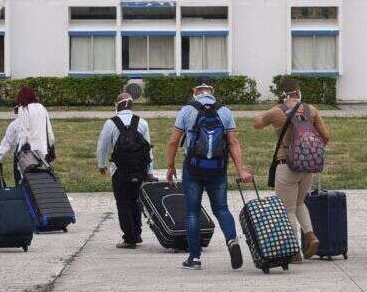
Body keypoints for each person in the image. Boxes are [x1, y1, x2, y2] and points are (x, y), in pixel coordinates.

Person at [164, 77, 252, 271]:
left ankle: (194, 258)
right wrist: (241, 170)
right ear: (211, 90)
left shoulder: (187, 110)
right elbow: (233, 143)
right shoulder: (225, 111)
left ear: (195, 90)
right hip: (218, 169)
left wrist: (170, 166)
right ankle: (231, 240)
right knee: (221, 209)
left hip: (193, 169)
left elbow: (173, 141)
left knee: (192, 212)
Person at [252, 77, 330, 261]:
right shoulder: (312, 110)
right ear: (298, 90)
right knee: (300, 203)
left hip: (286, 165)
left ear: (283, 93)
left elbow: (257, 124)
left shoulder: (276, 111)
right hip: (308, 166)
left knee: (287, 208)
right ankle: (310, 235)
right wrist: (308, 151)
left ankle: (294, 251)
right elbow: (325, 137)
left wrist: (260, 115)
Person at [96, 92, 155, 249]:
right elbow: (148, 149)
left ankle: (129, 238)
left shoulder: (111, 123)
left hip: (119, 170)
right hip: (139, 170)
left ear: (118, 105)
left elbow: (103, 146)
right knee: (136, 202)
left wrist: (101, 165)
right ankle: (137, 233)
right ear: (132, 105)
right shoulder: (142, 122)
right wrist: (150, 171)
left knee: (123, 203)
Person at [0, 86, 56, 182]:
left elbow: (24, 135)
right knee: (40, 185)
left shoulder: (24, 109)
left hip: (27, 157)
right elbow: (50, 134)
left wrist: (18, 154)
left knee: (23, 185)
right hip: (43, 155)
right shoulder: (42, 108)